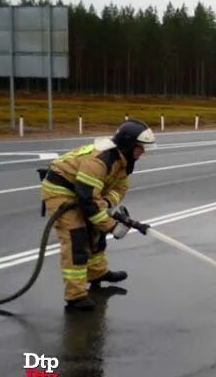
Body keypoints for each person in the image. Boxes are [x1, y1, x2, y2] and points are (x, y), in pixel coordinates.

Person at [40, 119, 155, 310]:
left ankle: (97, 273)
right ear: (128, 145)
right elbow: (87, 203)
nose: (143, 152)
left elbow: (121, 188)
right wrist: (111, 225)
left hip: (85, 193)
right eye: (140, 148)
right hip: (59, 190)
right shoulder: (99, 161)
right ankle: (75, 296)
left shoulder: (123, 161)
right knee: (76, 237)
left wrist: (107, 204)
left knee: (96, 231)